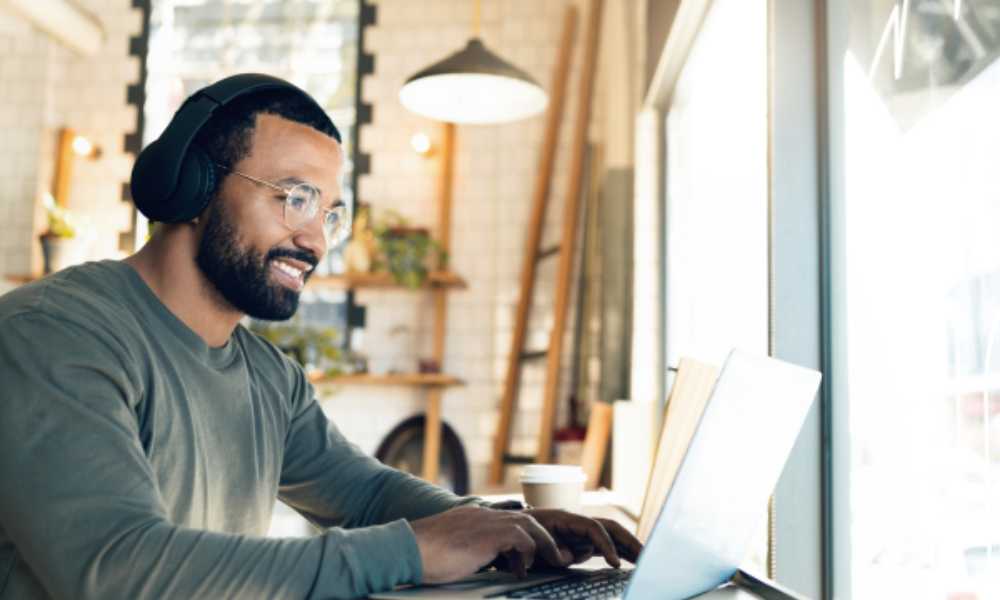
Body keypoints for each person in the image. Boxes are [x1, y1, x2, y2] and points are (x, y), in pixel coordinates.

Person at [0, 74, 641, 599]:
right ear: (189, 187)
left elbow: (365, 492)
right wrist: (413, 551)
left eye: (331, 211)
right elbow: (115, 568)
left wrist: (502, 523)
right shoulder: (55, 335)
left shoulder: (267, 377)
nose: (316, 239)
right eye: (295, 197)